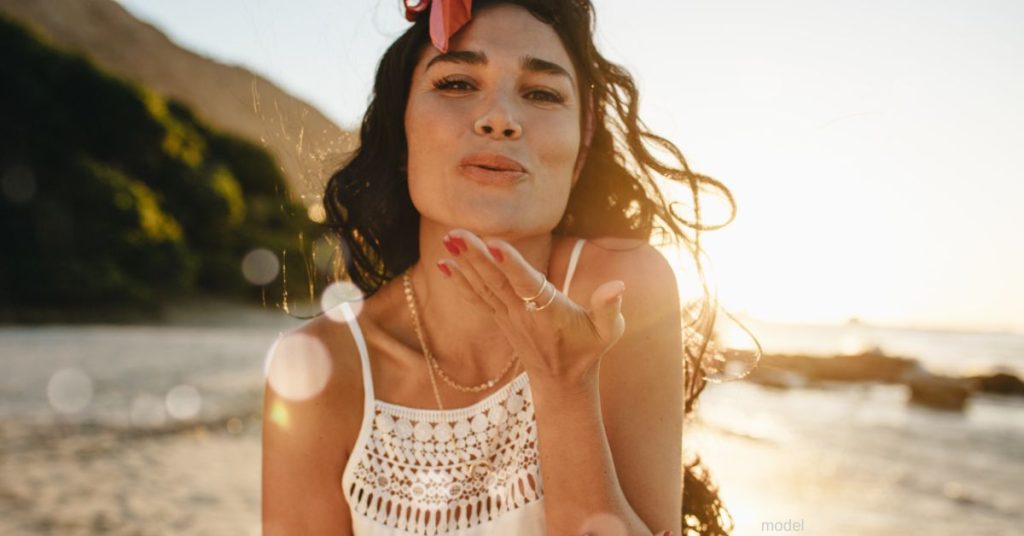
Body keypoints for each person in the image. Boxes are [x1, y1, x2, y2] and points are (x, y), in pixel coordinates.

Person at [263, 0, 737, 534]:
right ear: (402, 133)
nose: (500, 119)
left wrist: (566, 385)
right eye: (458, 84)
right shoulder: (321, 366)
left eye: (541, 94)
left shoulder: (622, 288)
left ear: (580, 147)